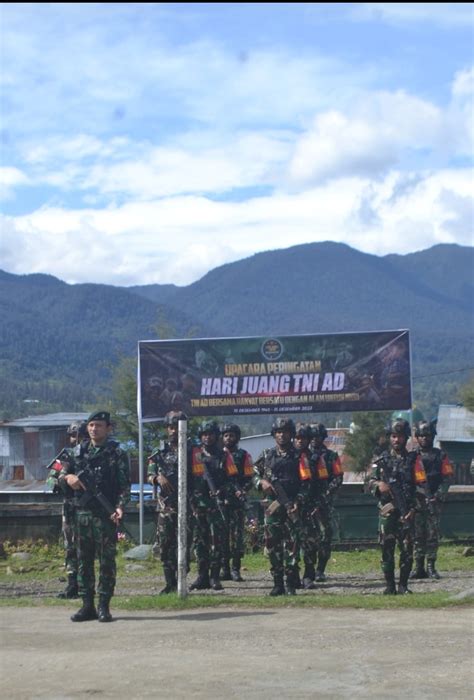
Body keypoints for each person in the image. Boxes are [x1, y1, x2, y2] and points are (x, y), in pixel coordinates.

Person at [58, 411, 130, 622]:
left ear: (108, 428)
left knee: (106, 562)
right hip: (81, 515)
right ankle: (86, 605)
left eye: (98, 425)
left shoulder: (116, 453)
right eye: (90, 425)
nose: (93, 429)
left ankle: (103, 606)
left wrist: (120, 507)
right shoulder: (74, 453)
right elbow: (58, 478)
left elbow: (124, 486)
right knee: (83, 561)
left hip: (105, 516)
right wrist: (68, 477)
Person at [368, 419, 427, 594]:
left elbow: (422, 486)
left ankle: (403, 585)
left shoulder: (414, 460)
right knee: (387, 549)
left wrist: (413, 509)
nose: (396, 440)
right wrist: (378, 485)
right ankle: (389, 586)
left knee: (407, 550)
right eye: (393, 436)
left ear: (406, 438)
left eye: (400, 437)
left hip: (407, 511)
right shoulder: (381, 460)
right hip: (387, 512)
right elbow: (368, 483)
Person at [254, 417, 311, 596]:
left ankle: (290, 582)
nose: (281, 435)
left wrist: (298, 501)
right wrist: (260, 482)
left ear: (291, 434)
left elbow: (307, 483)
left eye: (285, 432)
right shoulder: (266, 455)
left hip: (292, 506)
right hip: (273, 507)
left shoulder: (300, 456)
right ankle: (277, 582)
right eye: (278, 432)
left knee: (292, 546)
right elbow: (252, 474)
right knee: (272, 545)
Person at [189, 420, 238, 591]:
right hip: (197, 504)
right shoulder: (194, 454)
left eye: (210, 434)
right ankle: (201, 576)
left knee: (217, 541)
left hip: (217, 504)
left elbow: (233, 480)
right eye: (204, 434)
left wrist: (221, 491)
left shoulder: (224, 455)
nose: (207, 437)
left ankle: (214, 576)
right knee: (199, 541)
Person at [147, 411, 192, 594]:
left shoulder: (193, 450)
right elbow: (149, 475)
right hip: (166, 507)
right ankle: (170, 583)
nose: (174, 431)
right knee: (165, 546)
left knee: (185, 546)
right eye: (171, 427)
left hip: (188, 506)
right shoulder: (159, 453)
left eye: (177, 427)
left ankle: (182, 581)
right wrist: (158, 478)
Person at [47, 420, 88, 599]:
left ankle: (86, 584)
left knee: (87, 548)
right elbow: (50, 481)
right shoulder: (64, 457)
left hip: (88, 508)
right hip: (70, 506)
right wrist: (64, 480)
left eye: (79, 435)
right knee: (70, 547)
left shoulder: (91, 456)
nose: (76, 439)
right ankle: (72, 584)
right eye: (73, 435)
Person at [410, 421, 454, 580]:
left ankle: (431, 566)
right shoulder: (412, 456)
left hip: (434, 500)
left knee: (432, 535)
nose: (424, 439)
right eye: (421, 435)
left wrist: (438, 496)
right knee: (417, 535)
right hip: (417, 501)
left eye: (427, 435)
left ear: (433, 436)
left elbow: (447, 477)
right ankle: (418, 567)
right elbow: (408, 479)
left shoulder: (441, 455)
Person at [295, 423, 329, 589]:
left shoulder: (316, 459)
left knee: (311, 544)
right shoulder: (283, 456)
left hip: (310, 507)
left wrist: (318, 503)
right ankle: (292, 575)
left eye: (303, 438)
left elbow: (323, 484)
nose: (300, 441)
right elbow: (261, 473)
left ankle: (309, 575)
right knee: (290, 544)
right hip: (289, 508)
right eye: (297, 438)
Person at [220, 423, 254, 582]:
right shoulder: (218, 454)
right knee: (221, 538)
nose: (228, 438)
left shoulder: (244, 455)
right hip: (220, 502)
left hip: (237, 503)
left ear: (237, 437)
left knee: (237, 538)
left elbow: (250, 478)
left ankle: (235, 569)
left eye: (231, 435)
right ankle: (224, 569)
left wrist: (243, 490)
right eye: (226, 435)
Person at [310, 423, 344, 581]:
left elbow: (338, 477)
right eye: (312, 436)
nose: (314, 440)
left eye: (317, 436)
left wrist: (327, 493)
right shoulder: (301, 455)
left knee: (325, 535)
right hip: (305, 502)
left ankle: (320, 569)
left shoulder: (331, 456)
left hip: (324, 503)